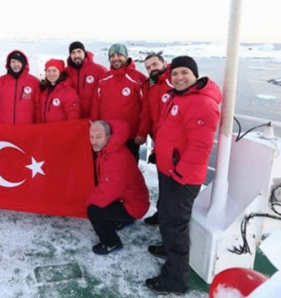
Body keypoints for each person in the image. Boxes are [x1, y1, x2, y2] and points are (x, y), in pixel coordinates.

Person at [145, 56, 221, 295]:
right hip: (169, 170)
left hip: (182, 177)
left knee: (175, 225)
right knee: (167, 218)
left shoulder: (202, 104)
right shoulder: (179, 96)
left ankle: (175, 280)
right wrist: (159, 154)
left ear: (195, 75)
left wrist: (180, 174)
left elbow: (200, 148)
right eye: (175, 73)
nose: (179, 78)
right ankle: (168, 250)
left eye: (184, 73)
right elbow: (170, 132)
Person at [87, 120, 150, 255]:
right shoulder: (110, 149)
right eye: (91, 137)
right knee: (99, 201)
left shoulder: (115, 160)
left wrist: (88, 202)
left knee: (94, 210)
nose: (94, 141)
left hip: (135, 205)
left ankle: (111, 243)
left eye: (98, 137)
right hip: (130, 199)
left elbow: (107, 193)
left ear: (109, 137)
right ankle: (124, 220)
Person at [91, 43, 147, 160]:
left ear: (126, 57)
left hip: (130, 136)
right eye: (112, 56)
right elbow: (96, 104)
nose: (115, 58)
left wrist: (142, 132)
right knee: (107, 166)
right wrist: (95, 127)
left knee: (129, 168)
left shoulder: (138, 79)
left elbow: (145, 108)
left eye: (119, 55)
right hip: (107, 134)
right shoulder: (104, 78)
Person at [136, 52, 173, 226]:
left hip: (176, 144)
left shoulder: (174, 81)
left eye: (154, 65)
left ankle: (169, 222)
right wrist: (142, 134)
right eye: (148, 67)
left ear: (164, 63)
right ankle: (162, 214)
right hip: (160, 143)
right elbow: (146, 113)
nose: (152, 69)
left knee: (175, 188)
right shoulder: (150, 85)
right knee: (163, 182)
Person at [0, 50, 40, 124]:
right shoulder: (0, 81)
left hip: (26, 128)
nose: (16, 64)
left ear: (24, 64)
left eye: (19, 62)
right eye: (13, 61)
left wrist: (38, 126)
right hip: (4, 126)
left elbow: (38, 107)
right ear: (9, 64)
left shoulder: (34, 82)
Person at [65, 41, 107, 118]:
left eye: (79, 51)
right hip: (73, 116)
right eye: (73, 53)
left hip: (93, 116)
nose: (76, 55)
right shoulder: (66, 72)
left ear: (84, 53)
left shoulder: (99, 70)